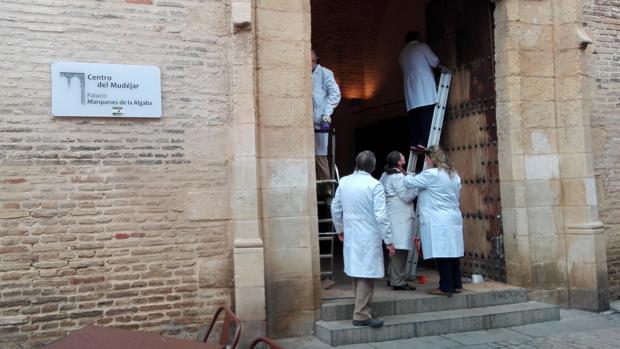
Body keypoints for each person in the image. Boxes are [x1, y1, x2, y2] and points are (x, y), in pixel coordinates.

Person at [331, 151, 395, 328]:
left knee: (358, 273)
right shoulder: (375, 185)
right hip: (368, 235)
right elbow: (382, 216)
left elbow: (335, 208)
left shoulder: (344, 182)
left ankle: (363, 308)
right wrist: (389, 241)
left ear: (356, 164)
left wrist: (340, 229)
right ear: (373, 167)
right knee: (365, 275)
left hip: (352, 234)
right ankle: (361, 315)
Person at [403, 146, 463, 296]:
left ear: (432, 159)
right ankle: (456, 284)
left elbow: (409, 183)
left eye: (427, 158)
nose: (426, 161)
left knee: (442, 252)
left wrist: (407, 174)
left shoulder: (431, 174)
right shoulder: (454, 174)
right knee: (452, 252)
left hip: (439, 219)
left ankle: (445, 287)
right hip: (453, 216)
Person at [399, 31, 447, 152]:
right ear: (417, 38)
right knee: (427, 117)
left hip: (411, 92)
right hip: (424, 89)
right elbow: (434, 61)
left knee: (414, 119)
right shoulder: (421, 47)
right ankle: (424, 142)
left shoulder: (402, 54)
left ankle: (414, 142)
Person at [379, 151, 419, 291]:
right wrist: (417, 187)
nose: (404, 157)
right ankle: (398, 281)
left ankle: (393, 277)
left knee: (395, 247)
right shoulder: (397, 176)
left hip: (392, 213)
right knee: (400, 249)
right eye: (402, 156)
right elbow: (406, 197)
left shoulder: (385, 174)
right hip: (400, 215)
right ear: (398, 161)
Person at [312, 49, 341, 199]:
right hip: (305, 123)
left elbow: (335, 94)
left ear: (315, 58)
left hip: (318, 121)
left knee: (320, 156)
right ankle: (315, 189)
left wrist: (326, 113)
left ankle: (327, 191)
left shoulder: (324, 73)